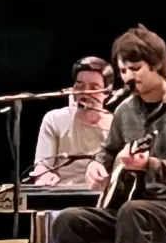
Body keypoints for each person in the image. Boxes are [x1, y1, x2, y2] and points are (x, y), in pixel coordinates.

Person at [50, 26, 166, 243]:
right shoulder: (125, 110)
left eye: (135, 68)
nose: (129, 76)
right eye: (123, 70)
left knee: (133, 213)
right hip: (139, 208)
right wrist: (96, 165)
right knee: (68, 220)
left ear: (156, 65)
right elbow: (108, 152)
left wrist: (148, 165)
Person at [31, 56, 115, 186]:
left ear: (107, 93)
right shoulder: (55, 119)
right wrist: (45, 175)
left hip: (100, 198)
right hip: (61, 195)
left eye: (94, 88)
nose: (85, 93)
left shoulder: (116, 125)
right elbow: (42, 166)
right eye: (80, 86)